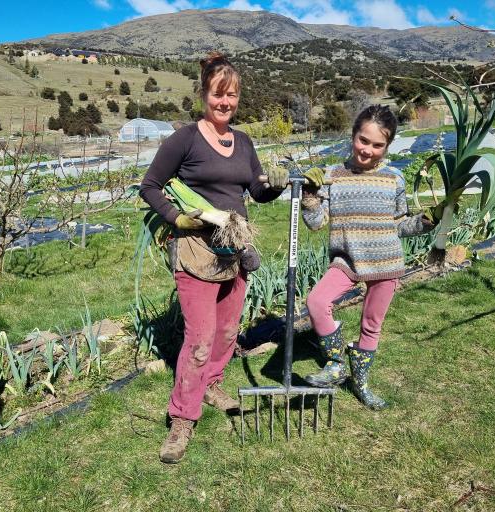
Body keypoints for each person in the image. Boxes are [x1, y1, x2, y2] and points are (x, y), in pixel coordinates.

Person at [139, 52, 288, 464]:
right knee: (200, 338)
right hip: (197, 250)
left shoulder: (243, 141)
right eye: (218, 95)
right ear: (204, 94)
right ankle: (182, 418)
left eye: (232, 96)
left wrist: (272, 188)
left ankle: (212, 383)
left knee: (226, 333)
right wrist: (176, 218)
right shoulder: (184, 139)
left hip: (234, 250)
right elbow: (149, 186)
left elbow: (254, 190)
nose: (225, 103)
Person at [300, 105, 437, 409]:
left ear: (387, 146)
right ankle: (336, 364)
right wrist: (309, 196)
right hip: (347, 261)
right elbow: (315, 223)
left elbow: (399, 224)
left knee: (371, 325)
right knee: (317, 302)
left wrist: (426, 222)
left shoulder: (395, 179)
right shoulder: (333, 176)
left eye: (378, 145)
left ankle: (360, 383)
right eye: (364, 140)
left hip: (386, 264)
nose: (368, 150)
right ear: (353, 136)